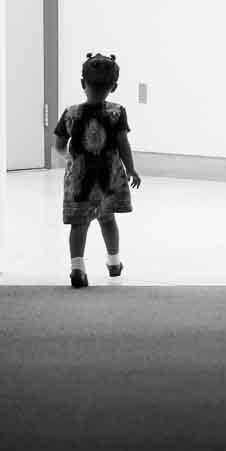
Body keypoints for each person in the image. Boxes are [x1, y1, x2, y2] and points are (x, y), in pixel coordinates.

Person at [53, 52, 143, 288]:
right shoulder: (117, 112)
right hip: (108, 180)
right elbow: (124, 144)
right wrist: (131, 169)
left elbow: (59, 146)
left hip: (80, 180)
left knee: (79, 224)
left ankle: (77, 268)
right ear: (114, 87)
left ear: (83, 83)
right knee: (107, 219)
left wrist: (70, 160)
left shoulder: (70, 113)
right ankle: (114, 263)